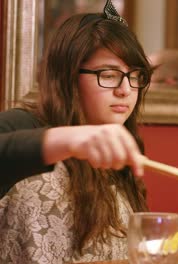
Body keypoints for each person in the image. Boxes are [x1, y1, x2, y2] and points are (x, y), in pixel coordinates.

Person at [0, 0, 150, 262]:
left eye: (135, 75)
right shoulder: (23, 124)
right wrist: (65, 139)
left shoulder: (121, 149)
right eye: (109, 74)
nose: (125, 90)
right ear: (68, 77)